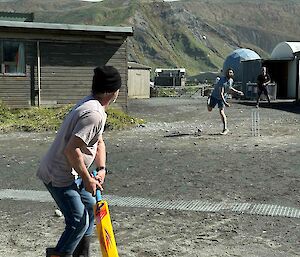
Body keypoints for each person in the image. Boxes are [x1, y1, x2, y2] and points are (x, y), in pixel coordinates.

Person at [37, 66, 122, 257]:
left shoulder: (94, 106)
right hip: (59, 175)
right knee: (78, 221)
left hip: (73, 172)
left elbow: (98, 141)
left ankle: (82, 254)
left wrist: (101, 169)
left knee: (91, 210)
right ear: (112, 91)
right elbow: (71, 149)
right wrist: (87, 178)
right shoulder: (93, 114)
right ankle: (59, 254)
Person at [207, 68, 244, 135]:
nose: (230, 73)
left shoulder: (231, 80)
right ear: (226, 73)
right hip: (215, 96)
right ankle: (208, 99)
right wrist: (225, 102)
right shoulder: (222, 81)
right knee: (209, 109)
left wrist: (238, 92)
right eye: (229, 72)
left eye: (231, 72)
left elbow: (230, 88)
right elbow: (221, 93)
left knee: (221, 111)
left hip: (222, 97)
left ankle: (225, 128)